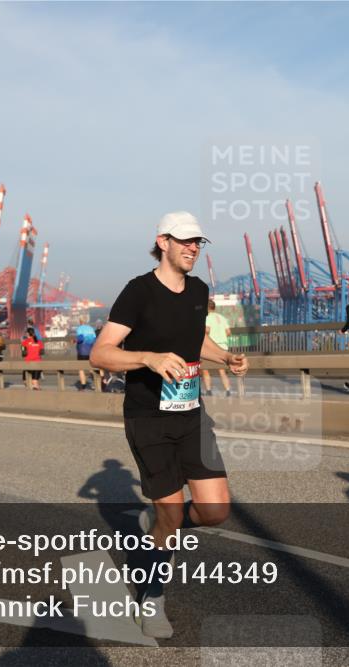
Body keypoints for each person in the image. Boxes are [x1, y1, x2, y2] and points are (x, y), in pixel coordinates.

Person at [90, 211, 248, 639]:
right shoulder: (138, 292)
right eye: (185, 241)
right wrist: (149, 358)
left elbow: (193, 338)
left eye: (198, 241)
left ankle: (157, 522)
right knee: (172, 514)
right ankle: (152, 596)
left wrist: (226, 356)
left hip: (191, 414)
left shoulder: (198, 289)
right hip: (148, 419)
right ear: (162, 241)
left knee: (215, 510)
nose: (193, 247)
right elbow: (101, 353)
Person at [203, 300, 234, 396]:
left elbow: (207, 330)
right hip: (223, 346)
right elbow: (228, 332)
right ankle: (228, 390)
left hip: (211, 347)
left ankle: (208, 390)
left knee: (205, 369)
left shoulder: (207, 317)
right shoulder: (222, 318)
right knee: (222, 370)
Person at [74, 318, 98, 390]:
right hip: (91, 351)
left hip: (82, 351)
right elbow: (94, 339)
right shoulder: (91, 328)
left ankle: (83, 385)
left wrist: (75, 340)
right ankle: (97, 381)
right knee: (91, 368)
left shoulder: (80, 328)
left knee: (81, 369)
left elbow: (80, 338)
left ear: (80, 321)